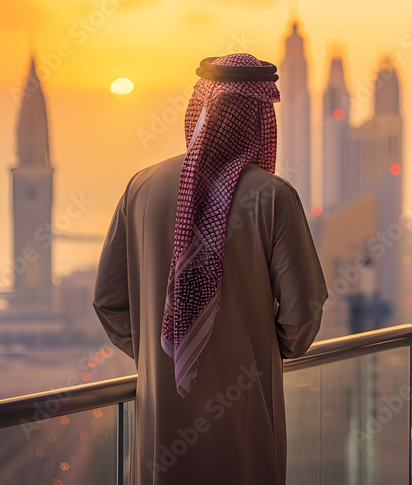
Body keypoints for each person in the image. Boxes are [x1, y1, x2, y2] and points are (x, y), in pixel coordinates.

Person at [93, 53, 327, 484]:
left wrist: (161, 352)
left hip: (159, 426)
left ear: (199, 112)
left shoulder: (141, 187)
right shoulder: (273, 197)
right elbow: (303, 313)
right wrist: (253, 349)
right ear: (260, 121)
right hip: (246, 419)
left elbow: (108, 301)